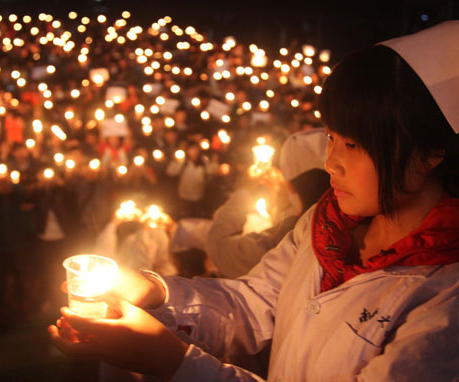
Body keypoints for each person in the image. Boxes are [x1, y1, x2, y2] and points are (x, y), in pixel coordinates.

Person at [48, 21, 459, 381]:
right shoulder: (325, 225)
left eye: (353, 144)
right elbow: (249, 305)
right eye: (330, 137)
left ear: (430, 151)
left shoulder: (445, 298)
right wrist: (154, 291)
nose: (332, 163)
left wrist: (174, 362)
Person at [206, 128, 331, 278]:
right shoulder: (352, 230)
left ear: (291, 186)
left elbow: (217, 244)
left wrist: (245, 189)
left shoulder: (282, 243)